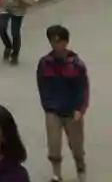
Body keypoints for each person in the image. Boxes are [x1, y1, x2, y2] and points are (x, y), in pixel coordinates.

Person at [36, 23, 89, 182]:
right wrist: (47, 105)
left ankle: (80, 166)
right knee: (53, 143)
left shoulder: (76, 64)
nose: (56, 45)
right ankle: (56, 174)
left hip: (72, 110)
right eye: (52, 41)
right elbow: (41, 85)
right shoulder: (45, 63)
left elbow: (83, 88)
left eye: (59, 41)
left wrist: (80, 109)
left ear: (66, 42)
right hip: (53, 109)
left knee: (76, 145)